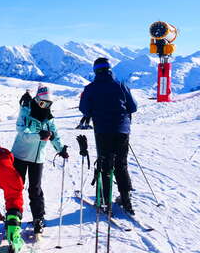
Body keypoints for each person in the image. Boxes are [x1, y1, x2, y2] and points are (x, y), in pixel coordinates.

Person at [80, 57, 137, 215]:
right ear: (110, 69)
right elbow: (133, 107)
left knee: (105, 165)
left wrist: (95, 112)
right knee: (121, 165)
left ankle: (105, 203)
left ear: (95, 70)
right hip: (122, 130)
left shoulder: (91, 88)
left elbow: (84, 109)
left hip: (103, 131)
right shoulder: (121, 85)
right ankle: (126, 201)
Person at [11, 84, 68, 235]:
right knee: (16, 187)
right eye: (42, 103)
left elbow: (54, 134)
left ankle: (38, 218)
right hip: (20, 155)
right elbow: (21, 130)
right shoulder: (25, 110)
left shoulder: (49, 117)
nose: (45, 106)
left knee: (35, 189)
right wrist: (38, 135)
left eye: (48, 104)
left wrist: (60, 149)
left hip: (37, 158)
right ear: (36, 100)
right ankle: (13, 217)